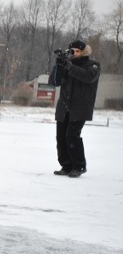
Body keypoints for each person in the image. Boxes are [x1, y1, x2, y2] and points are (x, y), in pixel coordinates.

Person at [49, 40, 100, 178]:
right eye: (72, 51)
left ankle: (79, 165)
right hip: (64, 107)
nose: (75, 54)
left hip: (80, 108)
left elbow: (87, 77)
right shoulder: (67, 65)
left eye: (77, 51)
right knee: (61, 137)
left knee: (72, 136)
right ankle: (66, 166)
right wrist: (59, 65)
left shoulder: (93, 66)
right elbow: (54, 82)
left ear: (83, 52)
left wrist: (70, 66)